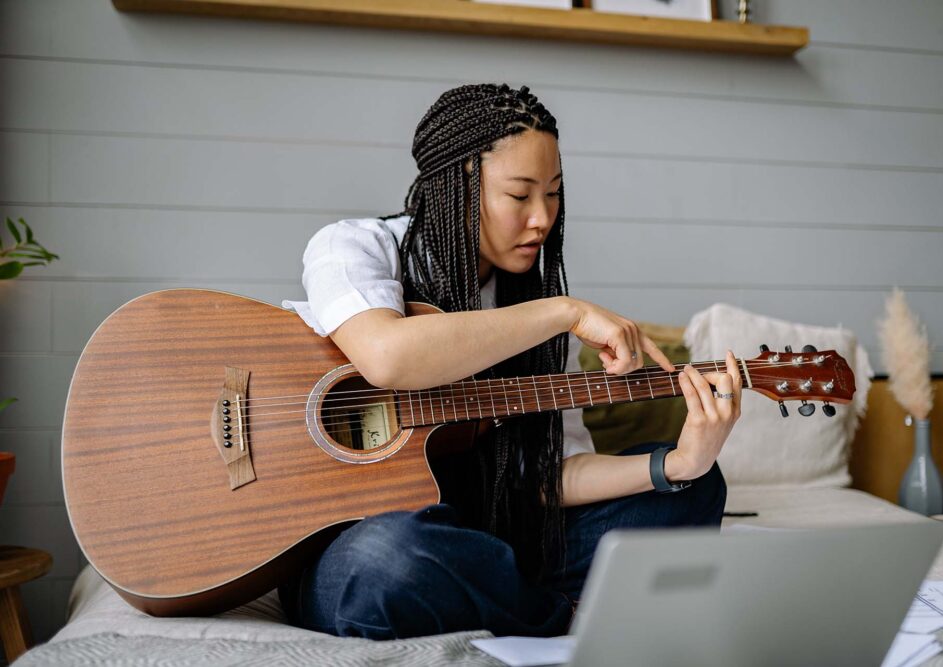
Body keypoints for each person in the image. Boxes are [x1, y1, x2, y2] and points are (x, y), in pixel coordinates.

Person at [278, 82, 741, 640]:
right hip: (356, 538)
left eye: (554, 193)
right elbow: (387, 357)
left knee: (694, 489)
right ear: (455, 190)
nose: (542, 219)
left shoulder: (536, 310)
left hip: (497, 535)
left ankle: (500, 600)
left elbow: (550, 476)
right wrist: (562, 311)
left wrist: (678, 464)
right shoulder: (354, 247)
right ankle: (561, 619)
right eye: (520, 196)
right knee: (390, 558)